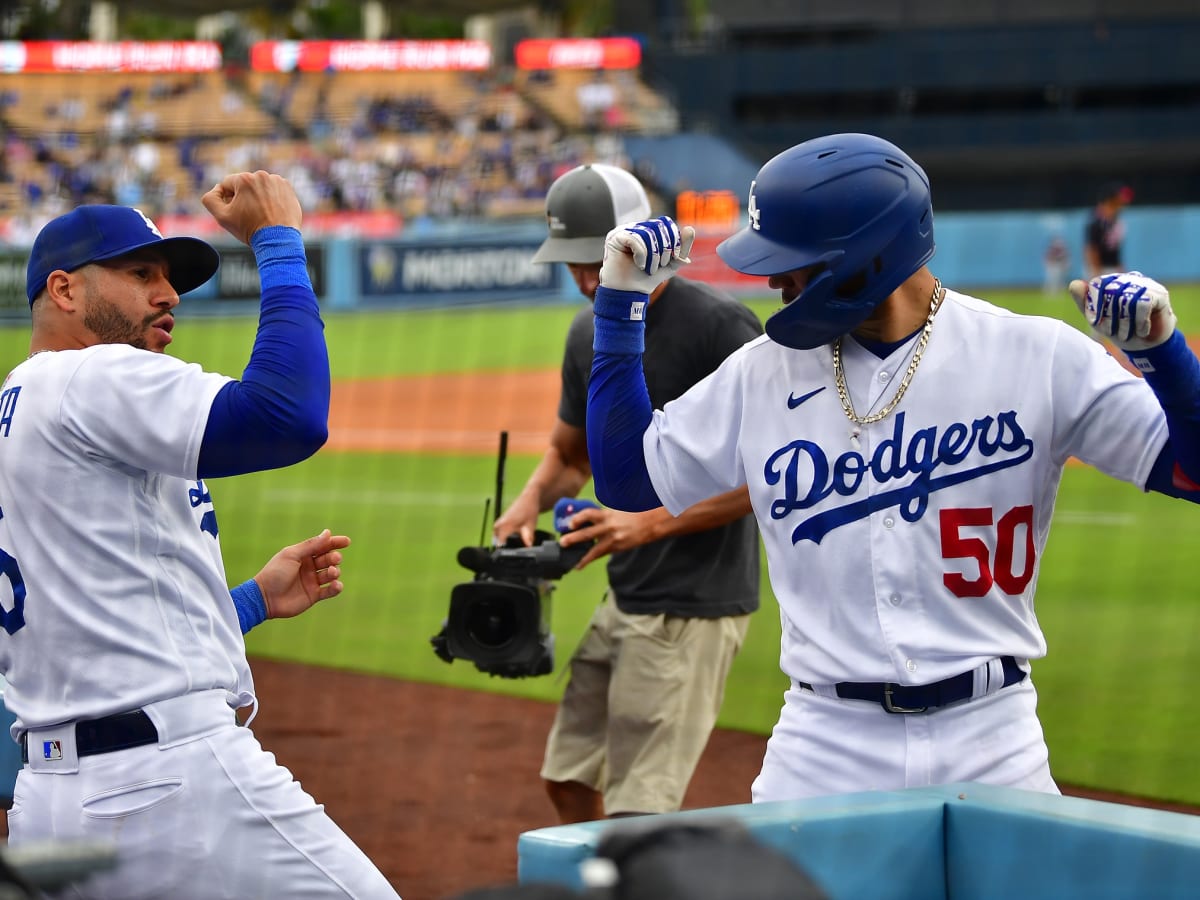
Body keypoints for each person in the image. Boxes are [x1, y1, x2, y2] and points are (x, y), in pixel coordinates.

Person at [582, 132, 1200, 802]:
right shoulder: (761, 372)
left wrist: (1168, 358)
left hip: (994, 737)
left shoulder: (1036, 354)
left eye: (794, 262)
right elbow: (628, 480)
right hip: (823, 742)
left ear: (867, 256)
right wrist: (620, 306)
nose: (773, 282)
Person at [0, 175, 400, 898]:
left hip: (49, 800)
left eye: (170, 278)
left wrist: (244, 603)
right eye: (140, 274)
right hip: (168, 784)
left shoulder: (18, 405)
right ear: (63, 292)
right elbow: (287, 416)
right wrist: (277, 242)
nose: (168, 295)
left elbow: (74, 613)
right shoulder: (89, 379)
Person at [494, 163, 763, 823]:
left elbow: (766, 474)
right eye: (574, 264)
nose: (589, 279)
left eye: (598, 259)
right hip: (628, 595)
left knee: (638, 811)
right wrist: (527, 503)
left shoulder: (720, 328)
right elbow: (570, 453)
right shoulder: (587, 333)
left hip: (695, 606)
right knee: (566, 779)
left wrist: (646, 524)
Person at [1083, 181, 1133, 279]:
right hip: (1099, 268)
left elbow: (1115, 249)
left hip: (1112, 267)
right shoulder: (1097, 220)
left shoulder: (1116, 220)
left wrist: (1120, 267)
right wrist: (1096, 271)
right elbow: (1091, 248)